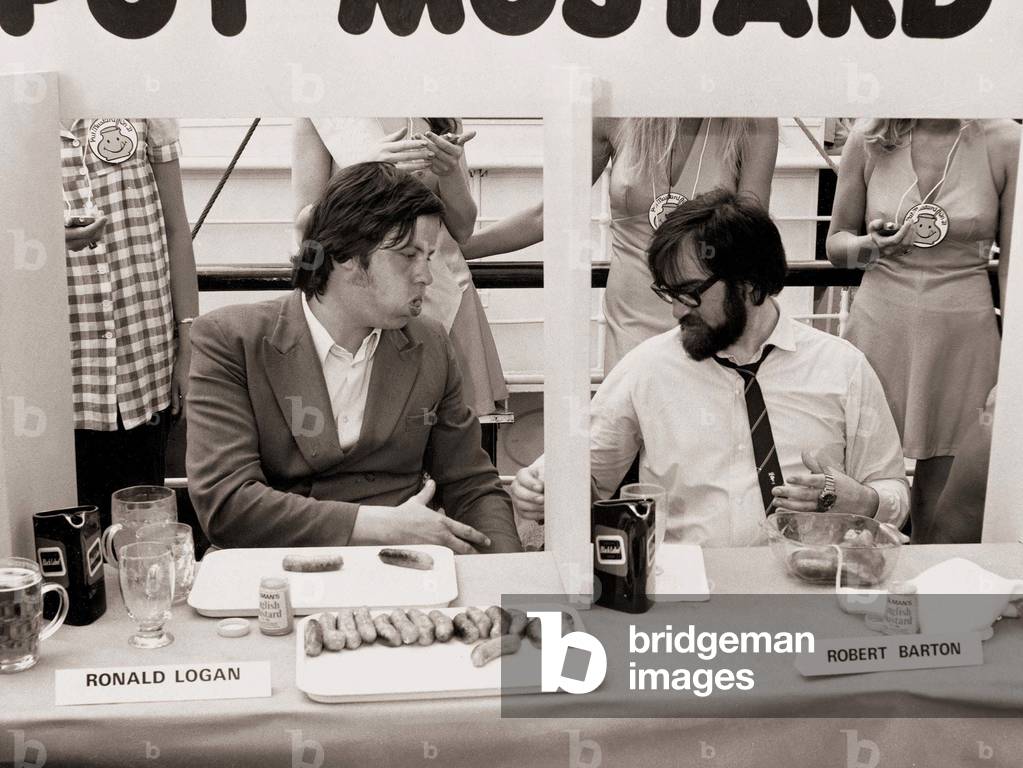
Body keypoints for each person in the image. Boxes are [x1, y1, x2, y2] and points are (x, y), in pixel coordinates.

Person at [510, 190, 909, 547]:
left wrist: (863, 500)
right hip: (683, 590)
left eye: (690, 293)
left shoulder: (843, 367)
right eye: (669, 292)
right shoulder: (647, 368)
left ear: (750, 284)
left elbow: (894, 491)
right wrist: (541, 486)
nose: (677, 310)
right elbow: (586, 474)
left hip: (809, 581)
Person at [186, 162, 522, 553]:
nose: (426, 276)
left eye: (428, 257)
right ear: (347, 255)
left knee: (550, 613)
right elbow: (226, 506)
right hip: (274, 574)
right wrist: (381, 526)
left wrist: (511, 586)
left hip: (403, 573)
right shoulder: (231, 341)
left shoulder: (431, 342)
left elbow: (473, 486)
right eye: (408, 256)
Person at [826, 119, 1018, 542]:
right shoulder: (868, 137)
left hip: (964, 339)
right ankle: (862, 594)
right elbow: (836, 244)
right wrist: (867, 248)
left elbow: (1013, 268)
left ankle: (933, 600)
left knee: (946, 503)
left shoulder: (1007, 141)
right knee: (865, 485)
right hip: (879, 329)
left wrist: (1013, 363)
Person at [463, 117, 779, 372]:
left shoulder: (752, 122)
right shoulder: (613, 115)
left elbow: (750, 236)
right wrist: (458, 250)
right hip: (630, 317)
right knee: (629, 437)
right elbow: (549, 213)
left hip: (710, 319)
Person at [291, 117, 507, 416]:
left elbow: (463, 228)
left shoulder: (440, 114)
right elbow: (304, 224)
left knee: (448, 434)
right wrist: (364, 176)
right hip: (360, 300)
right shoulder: (324, 112)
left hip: (441, 291)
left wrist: (449, 173)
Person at [61, 118, 198, 528]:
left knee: (143, 528)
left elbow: (177, 229)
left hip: (142, 367)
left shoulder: (140, 105)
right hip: (59, 376)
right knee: (62, 534)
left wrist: (188, 342)